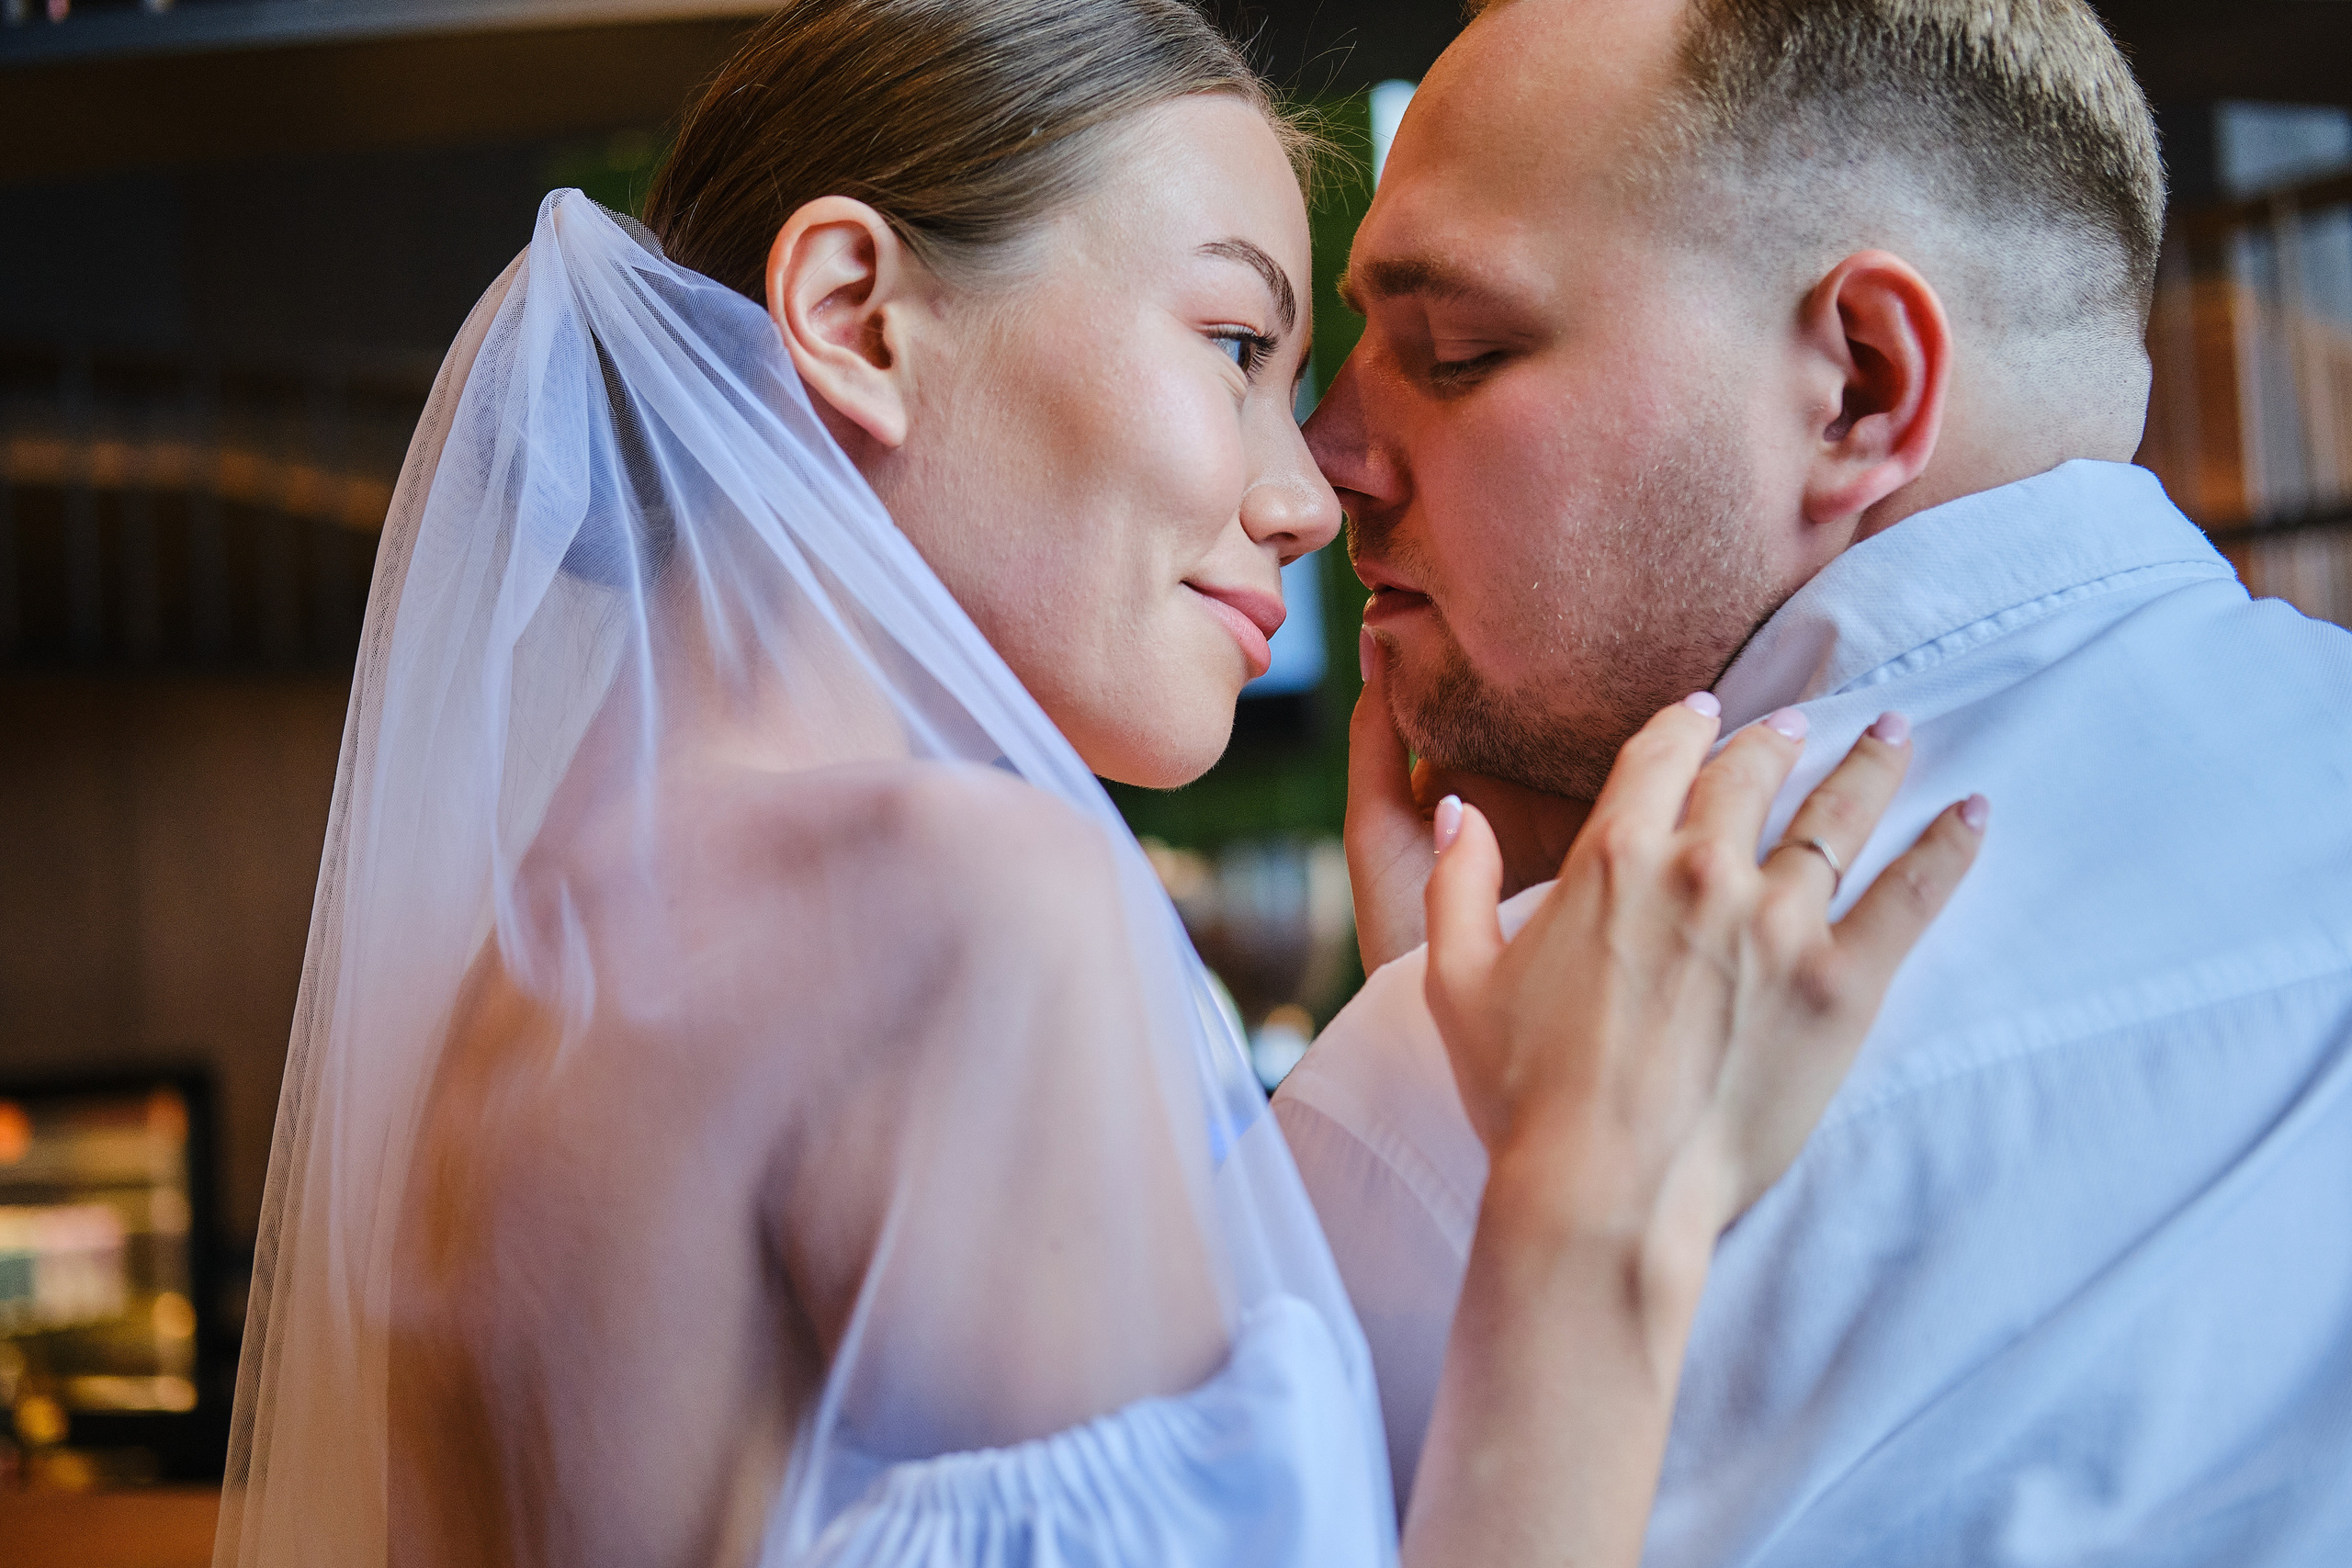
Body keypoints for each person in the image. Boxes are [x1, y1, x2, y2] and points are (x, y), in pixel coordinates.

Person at [214, 3, 1982, 1566]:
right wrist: (1604, 1188)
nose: (1305, 497)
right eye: (1234, 348)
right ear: (855, 317)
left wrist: (1414, 1060)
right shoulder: (971, 900)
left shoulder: (539, 967)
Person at [1275, 0, 2352, 1562]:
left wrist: (1419, 1092)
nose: (1329, 452)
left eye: (1455, 351)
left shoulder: (1464, 1132)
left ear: (1856, 384)